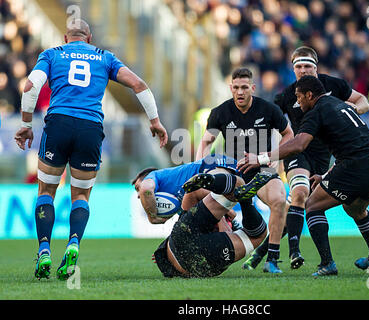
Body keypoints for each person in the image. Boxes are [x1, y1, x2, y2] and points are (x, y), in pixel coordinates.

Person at [14, 19, 168, 280]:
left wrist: (26, 125)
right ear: (89, 37)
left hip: (59, 124)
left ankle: (43, 251)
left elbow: (30, 86)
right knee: (81, 196)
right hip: (90, 128)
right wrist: (154, 121)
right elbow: (139, 84)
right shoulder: (105, 58)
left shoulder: (52, 55)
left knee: (46, 191)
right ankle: (73, 244)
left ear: (65, 38)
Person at [238, 76, 369, 277]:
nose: (298, 102)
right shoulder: (338, 104)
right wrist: (328, 175)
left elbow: (298, 144)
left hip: (356, 168)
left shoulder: (316, 111)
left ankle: (327, 263)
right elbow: (353, 142)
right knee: (354, 208)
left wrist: (262, 158)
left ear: (310, 95)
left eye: (299, 97)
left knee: (312, 206)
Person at [196, 67, 294, 273]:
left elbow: (289, 134)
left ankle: (272, 260)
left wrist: (272, 156)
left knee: (279, 201)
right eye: (237, 88)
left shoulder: (268, 109)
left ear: (253, 88)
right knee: (202, 200)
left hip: (262, 171)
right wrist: (198, 168)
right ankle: (196, 247)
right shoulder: (220, 113)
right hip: (234, 174)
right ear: (231, 88)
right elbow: (206, 142)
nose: (240, 92)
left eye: (245, 87)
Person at [152, 170, 278, 278]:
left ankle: (216, 184)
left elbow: (191, 193)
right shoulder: (227, 229)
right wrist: (223, 216)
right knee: (258, 234)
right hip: (197, 255)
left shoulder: (197, 223)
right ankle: (243, 199)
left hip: (181, 246)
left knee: (238, 185)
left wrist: (223, 214)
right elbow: (225, 233)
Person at [131, 154, 239, 225]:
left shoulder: (153, 175)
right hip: (215, 170)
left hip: (210, 165)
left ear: (145, 178)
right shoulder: (177, 199)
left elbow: (145, 189)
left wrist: (152, 216)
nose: (138, 195)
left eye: (137, 188)